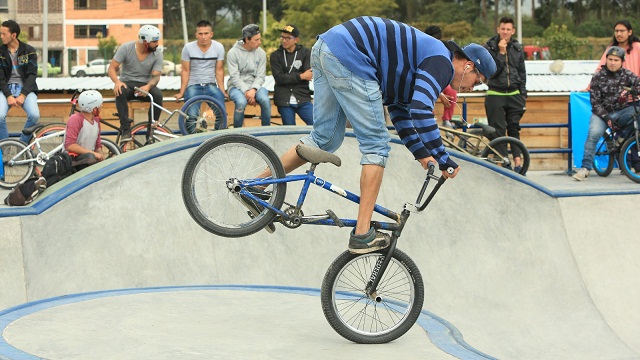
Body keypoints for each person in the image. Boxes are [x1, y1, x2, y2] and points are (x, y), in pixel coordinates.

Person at [254, 17, 495, 254]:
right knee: (377, 145)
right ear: (468, 66)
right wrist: (443, 158)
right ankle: (362, 233)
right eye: (477, 81)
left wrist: (422, 154)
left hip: (327, 47)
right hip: (351, 55)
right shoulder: (441, 62)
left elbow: (401, 111)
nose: (472, 88)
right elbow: (422, 111)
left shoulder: (426, 59)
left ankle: (258, 186)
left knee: (325, 139)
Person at [573, 46, 640, 181]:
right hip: (601, 114)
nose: (612, 63)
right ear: (606, 60)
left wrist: (629, 91)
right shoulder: (598, 77)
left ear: (622, 61)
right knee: (593, 134)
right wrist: (607, 118)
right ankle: (585, 168)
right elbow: (595, 102)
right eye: (610, 59)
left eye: (616, 60)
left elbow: (638, 85)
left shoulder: (628, 75)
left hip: (622, 111)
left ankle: (620, 138)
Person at [484, 16, 527, 173]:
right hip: (495, 92)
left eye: (508, 29)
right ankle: (502, 163)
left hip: (515, 94)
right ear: (498, 29)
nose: (505, 32)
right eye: (503, 29)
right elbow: (491, 72)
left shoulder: (517, 47)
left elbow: (522, 73)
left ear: (513, 31)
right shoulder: (489, 47)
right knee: (498, 130)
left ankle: (518, 160)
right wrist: (501, 53)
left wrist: (523, 95)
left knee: (514, 128)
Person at [108, 25, 163, 141]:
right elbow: (112, 68)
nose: (157, 44)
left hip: (144, 85)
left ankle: (151, 131)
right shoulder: (126, 48)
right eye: (154, 41)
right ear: (145, 41)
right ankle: (126, 129)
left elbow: (156, 76)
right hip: (127, 83)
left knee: (157, 95)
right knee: (120, 91)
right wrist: (117, 82)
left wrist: (148, 86)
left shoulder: (157, 53)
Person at [175, 20, 227, 133]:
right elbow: (185, 70)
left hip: (211, 85)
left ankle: (219, 137)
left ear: (211, 34)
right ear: (196, 35)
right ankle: (191, 140)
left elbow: (219, 70)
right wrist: (181, 92)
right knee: (191, 116)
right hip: (193, 85)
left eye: (206, 33)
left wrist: (222, 91)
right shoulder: (188, 48)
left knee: (221, 113)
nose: (203, 37)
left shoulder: (218, 47)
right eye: (200, 34)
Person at [0, 20, 40, 143]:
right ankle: (5, 147)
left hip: (25, 88)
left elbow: (32, 75)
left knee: (34, 116)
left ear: (13, 35)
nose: (1, 37)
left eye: (3, 34)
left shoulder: (29, 51)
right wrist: (8, 95)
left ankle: (21, 145)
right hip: (5, 88)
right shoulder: (0, 51)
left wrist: (23, 95)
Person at [226, 24, 270, 128]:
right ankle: (237, 132)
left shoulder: (261, 53)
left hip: (255, 86)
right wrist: (246, 92)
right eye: (256, 40)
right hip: (236, 86)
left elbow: (261, 76)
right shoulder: (232, 53)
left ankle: (267, 130)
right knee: (241, 102)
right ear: (247, 39)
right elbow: (234, 77)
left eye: (259, 39)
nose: (259, 42)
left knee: (265, 101)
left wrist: (253, 90)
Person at [270, 24, 313, 126]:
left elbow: (308, 74)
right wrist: (300, 76)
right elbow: (279, 78)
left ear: (296, 40)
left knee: (316, 124)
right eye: (282, 37)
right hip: (284, 99)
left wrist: (289, 77)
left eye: (288, 38)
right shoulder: (276, 56)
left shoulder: (306, 53)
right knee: (290, 129)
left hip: (302, 97)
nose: (284, 40)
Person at [424, 25, 457, 129]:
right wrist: (440, 95)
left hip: (439, 80)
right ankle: (427, 116)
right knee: (426, 92)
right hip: (425, 80)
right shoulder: (423, 50)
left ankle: (446, 119)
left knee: (452, 92)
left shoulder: (444, 49)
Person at [64, 90, 105, 170]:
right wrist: (94, 154)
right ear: (94, 109)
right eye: (100, 105)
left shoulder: (96, 120)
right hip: (73, 160)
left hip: (87, 158)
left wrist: (100, 154)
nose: (102, 106)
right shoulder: (75, 119)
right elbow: (69, 145)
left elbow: (97, 143)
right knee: (90, 157)